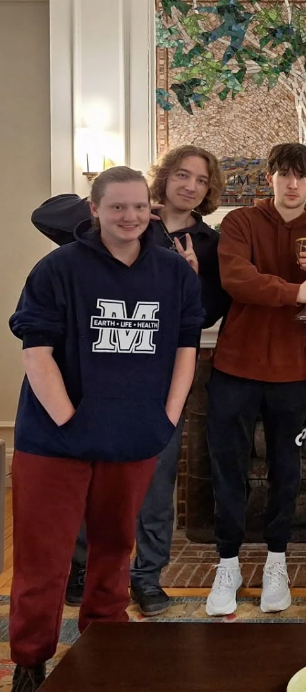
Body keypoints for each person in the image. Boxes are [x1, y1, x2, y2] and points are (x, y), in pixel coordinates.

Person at [8, 166, 203, 692]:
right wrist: (69, 421)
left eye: (139, 206)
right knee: (43, 557)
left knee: (115, 549)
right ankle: (30, 657)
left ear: (152, 210)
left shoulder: (174, 273)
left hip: (134, 437)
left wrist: (167, 416)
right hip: (54, 442)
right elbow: (36, 351)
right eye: (117, 207)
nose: (130, 216)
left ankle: (105, 642)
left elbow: (187, 346)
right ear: (93, 210)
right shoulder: (57, 269)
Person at [30, 144, 228, 616]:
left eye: (201, 181)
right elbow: (47, 215)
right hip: (93, 386)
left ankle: (146, 576)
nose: (190, 186)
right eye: (182, 175)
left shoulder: (210, 243)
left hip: (154, 388)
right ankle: (82, 569)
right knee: (88, 487)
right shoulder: (132, 219)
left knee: (156, 488)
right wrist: (126, 205)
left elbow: (206, 316)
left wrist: (195, 280)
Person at [205, 143, 306, 617]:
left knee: (286, 472)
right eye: (284, 174)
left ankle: (276, 562)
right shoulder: (239, 222)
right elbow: (237, 279)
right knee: (228, 469)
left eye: (301, 176)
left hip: (290, 372)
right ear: (271, 178)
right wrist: (294, 290)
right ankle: (228, 564)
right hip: (233, 368)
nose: (293, 183)